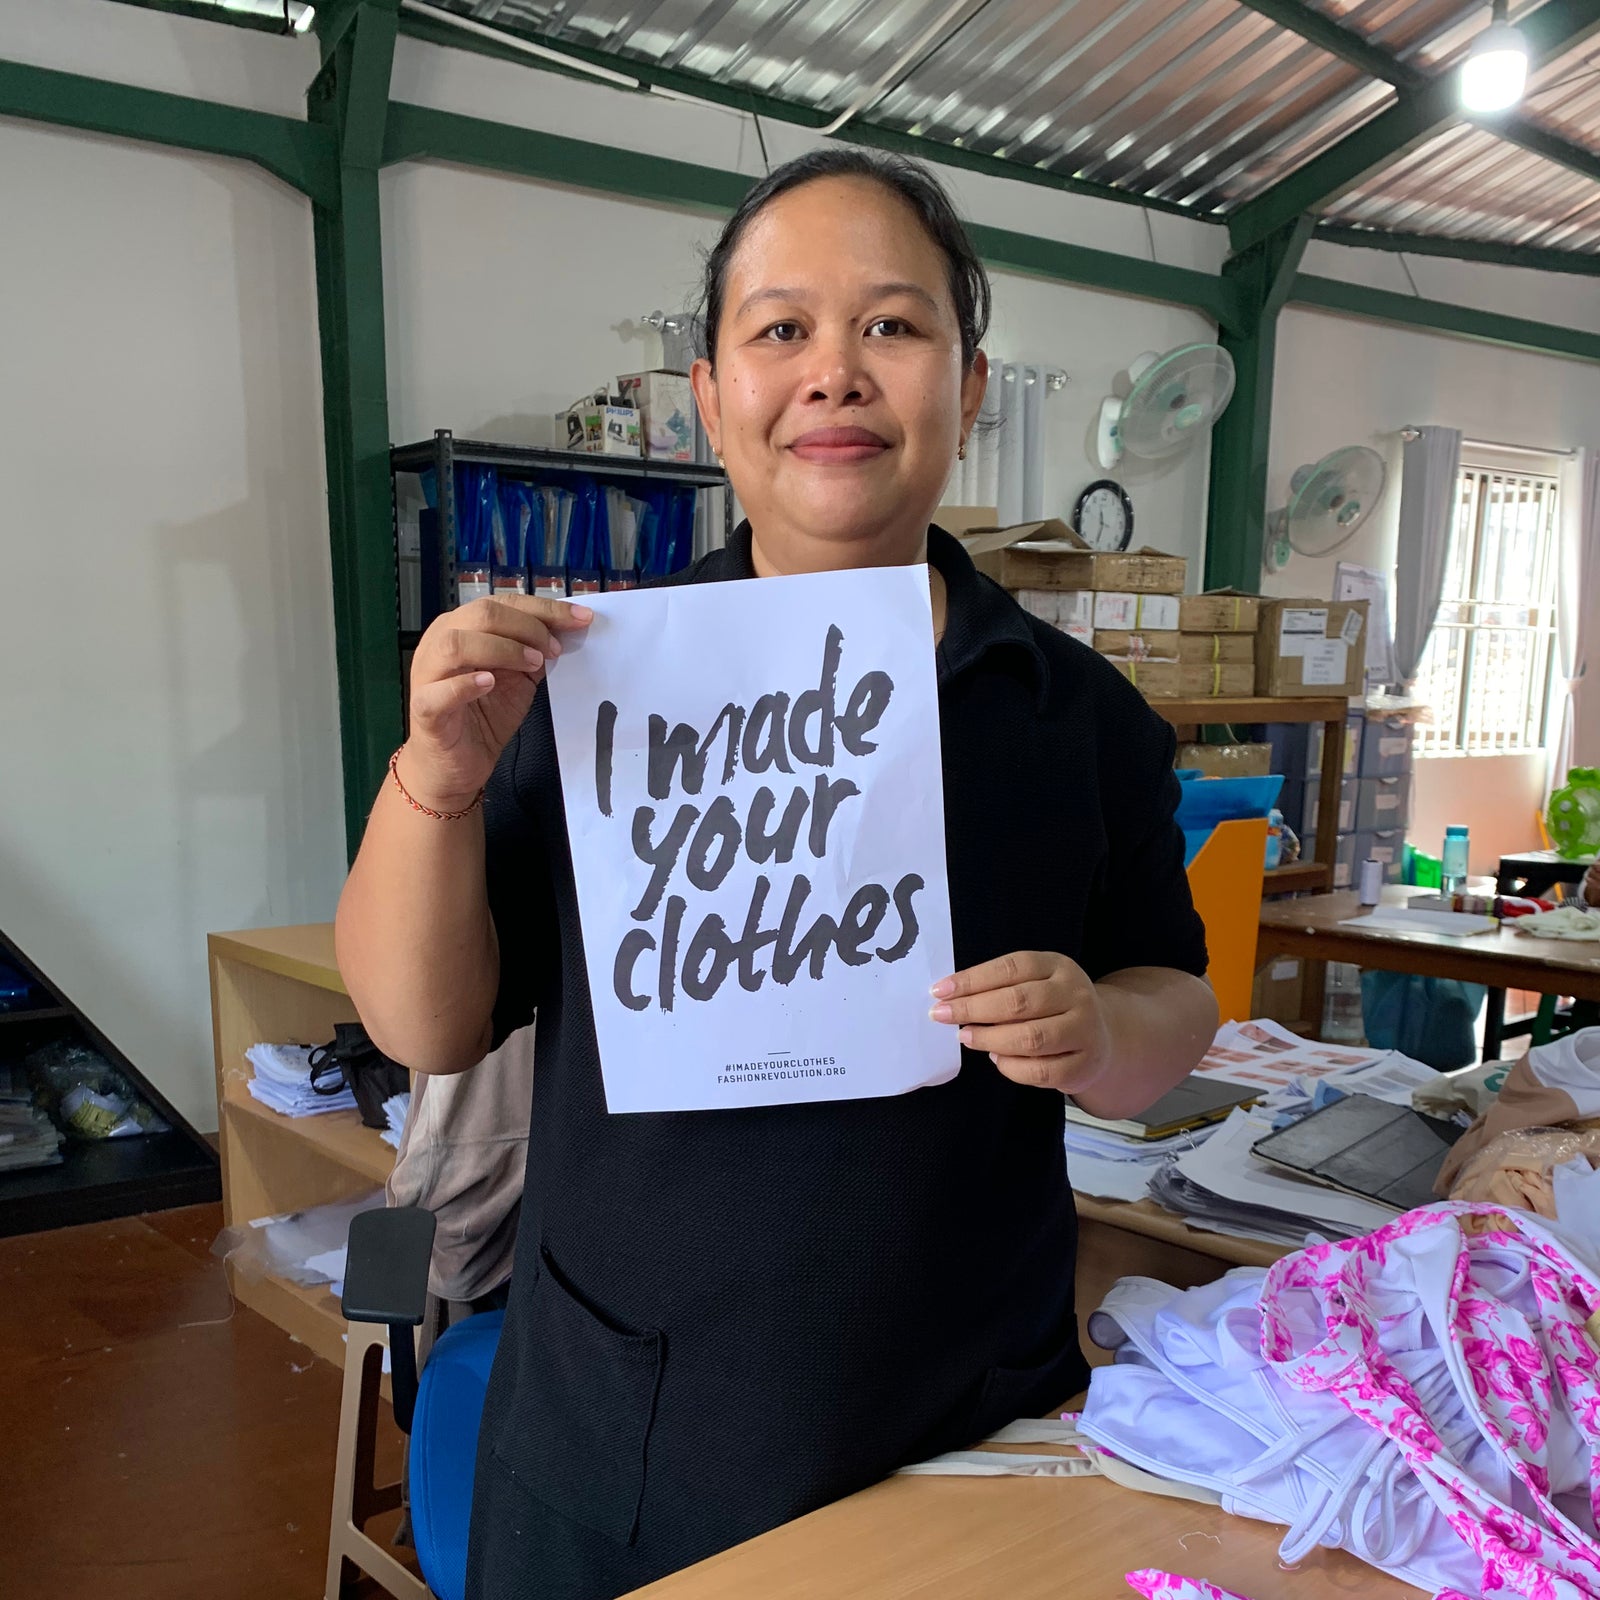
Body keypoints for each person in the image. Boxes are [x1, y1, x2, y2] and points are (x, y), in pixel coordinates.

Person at [335, 148, 1218, 1600]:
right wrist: (435, 775)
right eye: (782, 329)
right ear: (709, 396)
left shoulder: (1077, 717)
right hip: (631, 1425)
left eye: (893, 325)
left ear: (970, 389)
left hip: (966, 1423)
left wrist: (1105, 1029)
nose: (835, 373)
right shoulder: (591, 683)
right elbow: (424, 1024)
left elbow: (1174, 993)